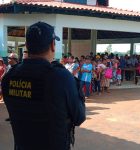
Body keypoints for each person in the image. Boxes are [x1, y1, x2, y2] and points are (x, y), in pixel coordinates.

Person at [2, 22, 85, 150]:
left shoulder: (9, 77)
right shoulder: (60, 77)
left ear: (27, 46)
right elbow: (79, 117)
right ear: (53, 45)